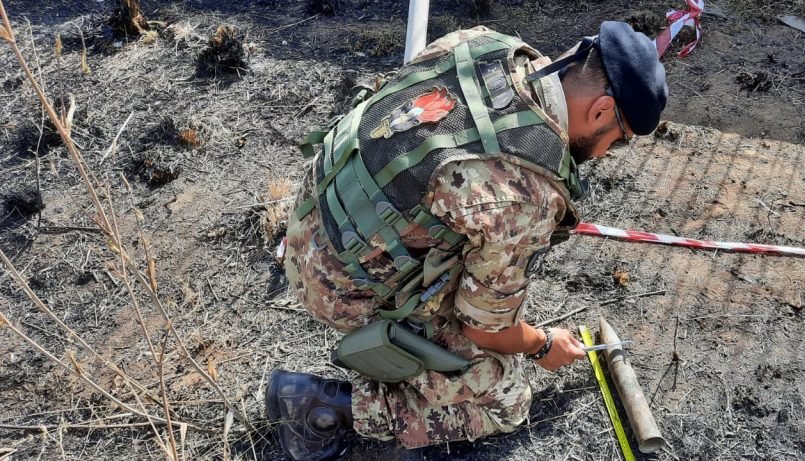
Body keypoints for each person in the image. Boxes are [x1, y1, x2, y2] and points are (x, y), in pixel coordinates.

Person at [265, 21, 667, 460]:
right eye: (621, 140)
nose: (609, 152)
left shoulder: (485, 45)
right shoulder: (527, 192)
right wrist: (543, 344)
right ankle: (325, 407)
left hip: (313, 214)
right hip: (336, 284)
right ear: (601, 110)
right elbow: (487, 330)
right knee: (507, 403)